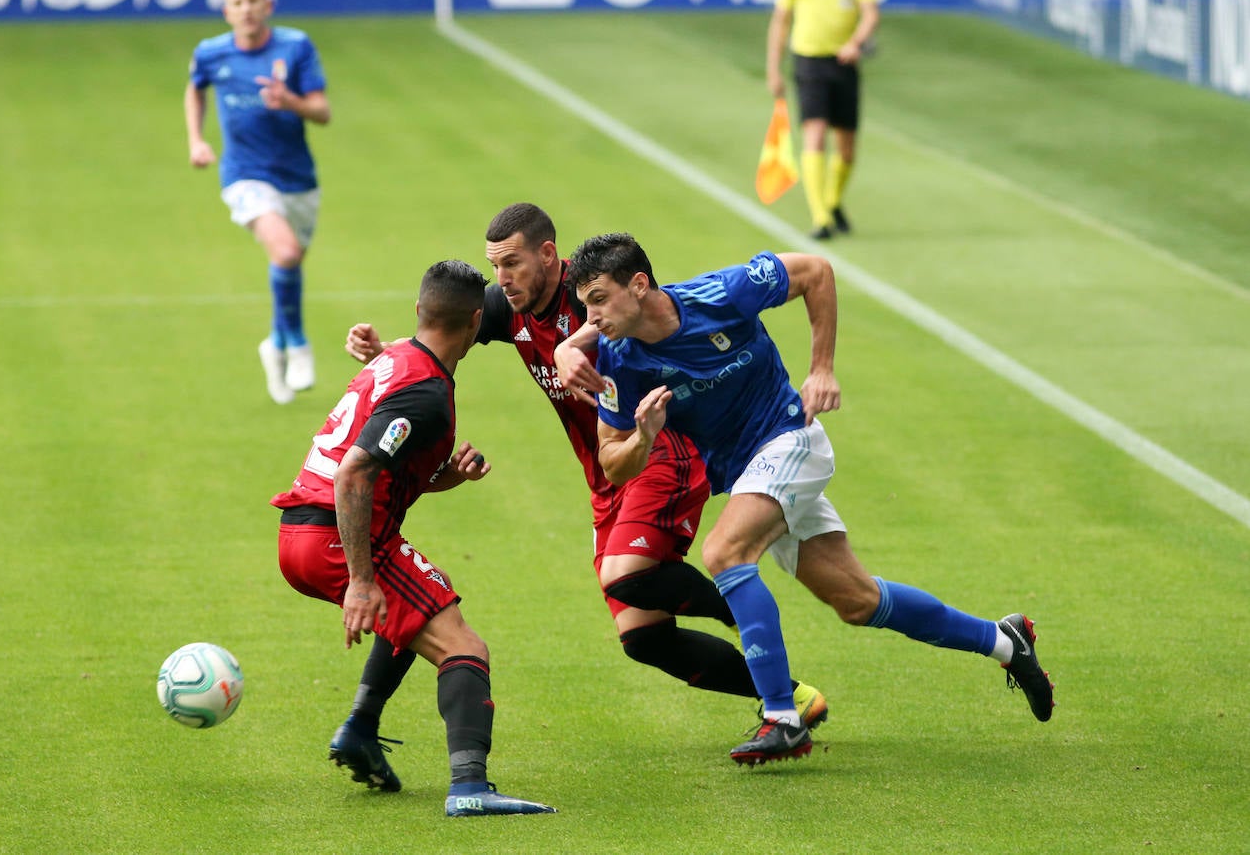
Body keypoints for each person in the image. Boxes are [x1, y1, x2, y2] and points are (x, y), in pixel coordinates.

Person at [559, 234, 1054, 767]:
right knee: (858, 602)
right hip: (753, 473)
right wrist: (645, 437)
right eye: (585, 303)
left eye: (599, 300)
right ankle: (1005, 643)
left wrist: (821, 369)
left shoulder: (722, 294)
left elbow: (815, 271)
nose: (589, 318)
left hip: (792, 439)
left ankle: (784, 718)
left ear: (638, 285)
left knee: (725, 552)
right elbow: (613, 461)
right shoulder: (619, 360)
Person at [344, 203, 828, 734]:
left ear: (548, 254)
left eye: (512, 264)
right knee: (644, 638)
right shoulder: (511, 305)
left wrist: (577, 342)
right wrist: (384, 347)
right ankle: (791, 695)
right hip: (607, 470)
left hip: (660, 450)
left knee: (628, 575)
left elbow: (651, 311)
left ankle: (742, 605)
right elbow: (448, 326)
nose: (501, 280)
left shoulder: (597, 293)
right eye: (495, 266)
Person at [271, 259, 555, 817]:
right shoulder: (424, 391)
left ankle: (360, 728)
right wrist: (359, 580)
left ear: (419, 311)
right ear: (476, 323)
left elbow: (386, 468)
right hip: (334, 538)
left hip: (302, 532)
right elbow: (354, 473)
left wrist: (447, 475)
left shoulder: (399, 357)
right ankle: (469, 788)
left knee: (425, 597)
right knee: (464, 646)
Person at [185, 0, 330, 405]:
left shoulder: (295, 46)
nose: (247, 10)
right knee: (284, 252)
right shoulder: (210, 53)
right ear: (227, 11)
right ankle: (299, 344)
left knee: (288, 265)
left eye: (254, 1)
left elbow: (322, 112)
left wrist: (290, 101)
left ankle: (275, 344)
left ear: (267, 6)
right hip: (243, 175)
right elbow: (195, 89)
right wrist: (196, 139)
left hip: (298, 180)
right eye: (238, 3)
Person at [766, 0, 880, 240]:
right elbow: (781, 20)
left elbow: (870, 14)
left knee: (846, 148)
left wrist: (856, 42)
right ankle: (822, 220)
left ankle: (831, 202)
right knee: (814, 133)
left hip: (844, 63)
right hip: (808, 60)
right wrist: (774, 67)